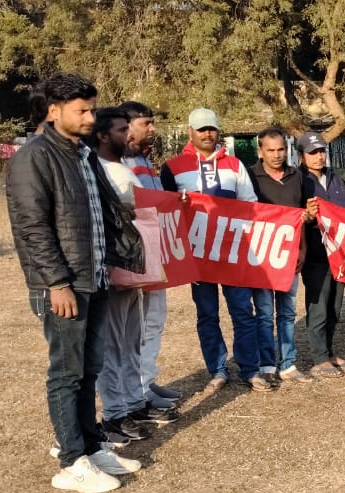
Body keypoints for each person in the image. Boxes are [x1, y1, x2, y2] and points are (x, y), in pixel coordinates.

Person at [7, 73, 143, 493]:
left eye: (91, 109)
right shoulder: (34, 157)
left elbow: (97, 211)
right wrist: (57, 283)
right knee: (66, 373)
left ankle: (91, 446)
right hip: (64, 284)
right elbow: (32, 227)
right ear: (54, 111)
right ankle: (70, 462)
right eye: (81, 110)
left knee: (88, 368)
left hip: (94, 276)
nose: (89, 118)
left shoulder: (82, 153)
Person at [160, 108, 273, 392]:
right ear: (190, 132)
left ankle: (250, 369)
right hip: (198, 256)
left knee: (243, 311)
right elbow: (164, 209)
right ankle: (218, 369)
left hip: (233, 251)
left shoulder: (235, 165)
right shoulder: (173, 167)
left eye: (212, 128)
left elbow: (250, 205)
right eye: (201, 129)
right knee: (207, 314)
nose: (207, 134)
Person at [90, 107, 179, 446]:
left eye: (128, 128)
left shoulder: (124, 166)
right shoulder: (99, 170)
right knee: (113, 345)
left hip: (136, 266)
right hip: (116, 267)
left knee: (131, 341)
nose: (128, 134)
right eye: (121, 129)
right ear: (102, 135)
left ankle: (133, 403)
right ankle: (115, 414)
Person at [116, 101, 182, 409]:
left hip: (156, 254)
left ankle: (145, 379)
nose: (152, 129)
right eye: (146, 123)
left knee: (154, 320)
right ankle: (136, 390)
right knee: (137, 327)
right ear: (128, 126)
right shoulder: (118, 161)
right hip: (135, 257)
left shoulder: (144, 159)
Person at [249, 127, 312, 383]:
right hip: (262, 256)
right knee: (264, 314)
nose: (276, 155)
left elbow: (301, 215)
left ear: (287, 150)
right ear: (260, 151)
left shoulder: (297, 176)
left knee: (287, 313)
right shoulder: (249, 177)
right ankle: (267, 365)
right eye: (271, 150)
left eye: (281, 150)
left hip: (290, 255)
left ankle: (288, 363)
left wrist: (302, 249)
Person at [298, 131, 345, 379]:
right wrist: (306, 214)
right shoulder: (299, 182)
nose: (319, 156)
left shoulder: (337, 180)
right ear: (301, 156)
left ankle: (330, 352)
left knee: (335, 306)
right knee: (318, 307)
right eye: (313, 152)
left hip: (340, 254)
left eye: (322, 151)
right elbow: (294, 217)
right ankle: (319, 358)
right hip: (315, 254)